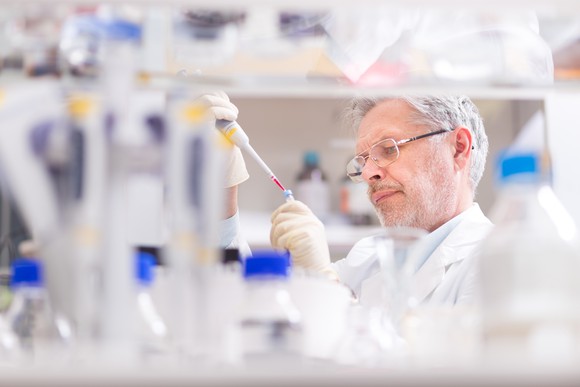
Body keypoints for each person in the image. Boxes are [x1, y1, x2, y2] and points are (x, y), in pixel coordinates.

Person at [270, 95, 493, 307]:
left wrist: (324, 284)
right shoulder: (366, 258)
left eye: (388, 149)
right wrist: (232, 193)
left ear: (459, 149)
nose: (367, 174)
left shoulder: (495, 262)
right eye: (363, 161)